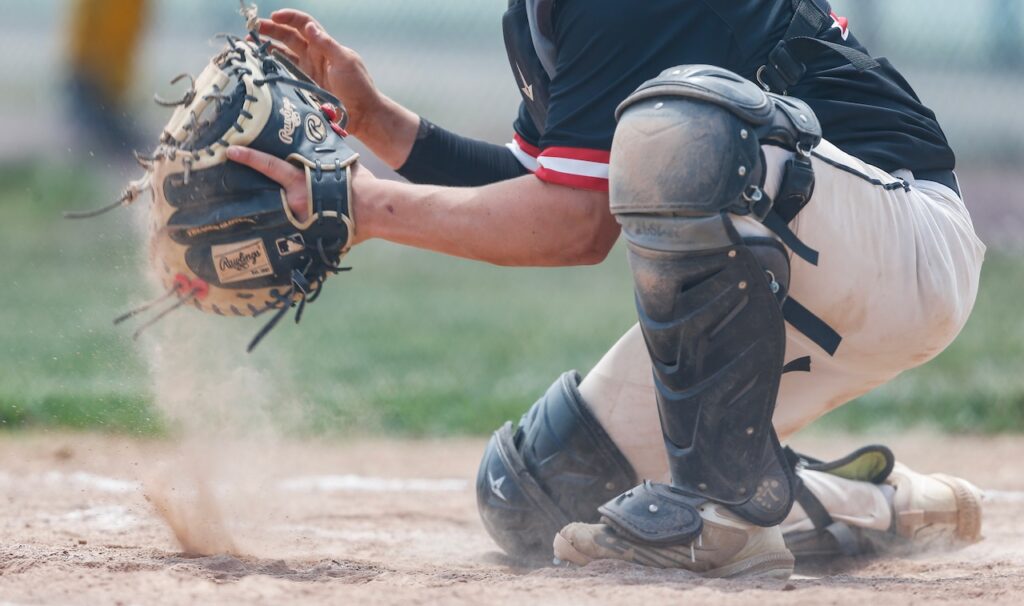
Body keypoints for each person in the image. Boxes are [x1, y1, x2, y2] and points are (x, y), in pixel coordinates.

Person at [226, 1, 987, 579]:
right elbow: (544, 183)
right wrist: (375, 122)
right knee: (539, 493)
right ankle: (875, 507)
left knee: (685, 129)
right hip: (783, 264)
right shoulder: (539, 15)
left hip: (899, 240)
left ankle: (719, 511)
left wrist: (364, 207)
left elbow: (576, 225)